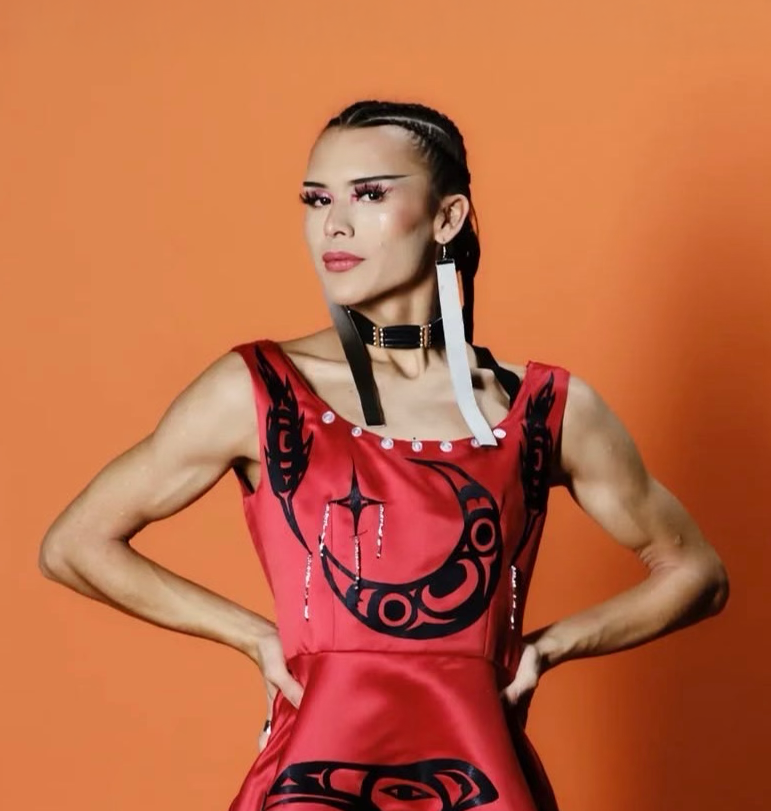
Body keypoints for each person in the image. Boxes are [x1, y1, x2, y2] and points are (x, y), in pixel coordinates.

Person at [39, 99, 729, 811]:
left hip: (478, 777)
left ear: (446, 217)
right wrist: (253, 637)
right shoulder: (259, 390)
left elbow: (696, 574)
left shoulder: (544, 410)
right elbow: (75, 545)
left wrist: (546, 648)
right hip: (312, 780)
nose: (332, 224)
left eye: (368, 194)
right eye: (316, 199)